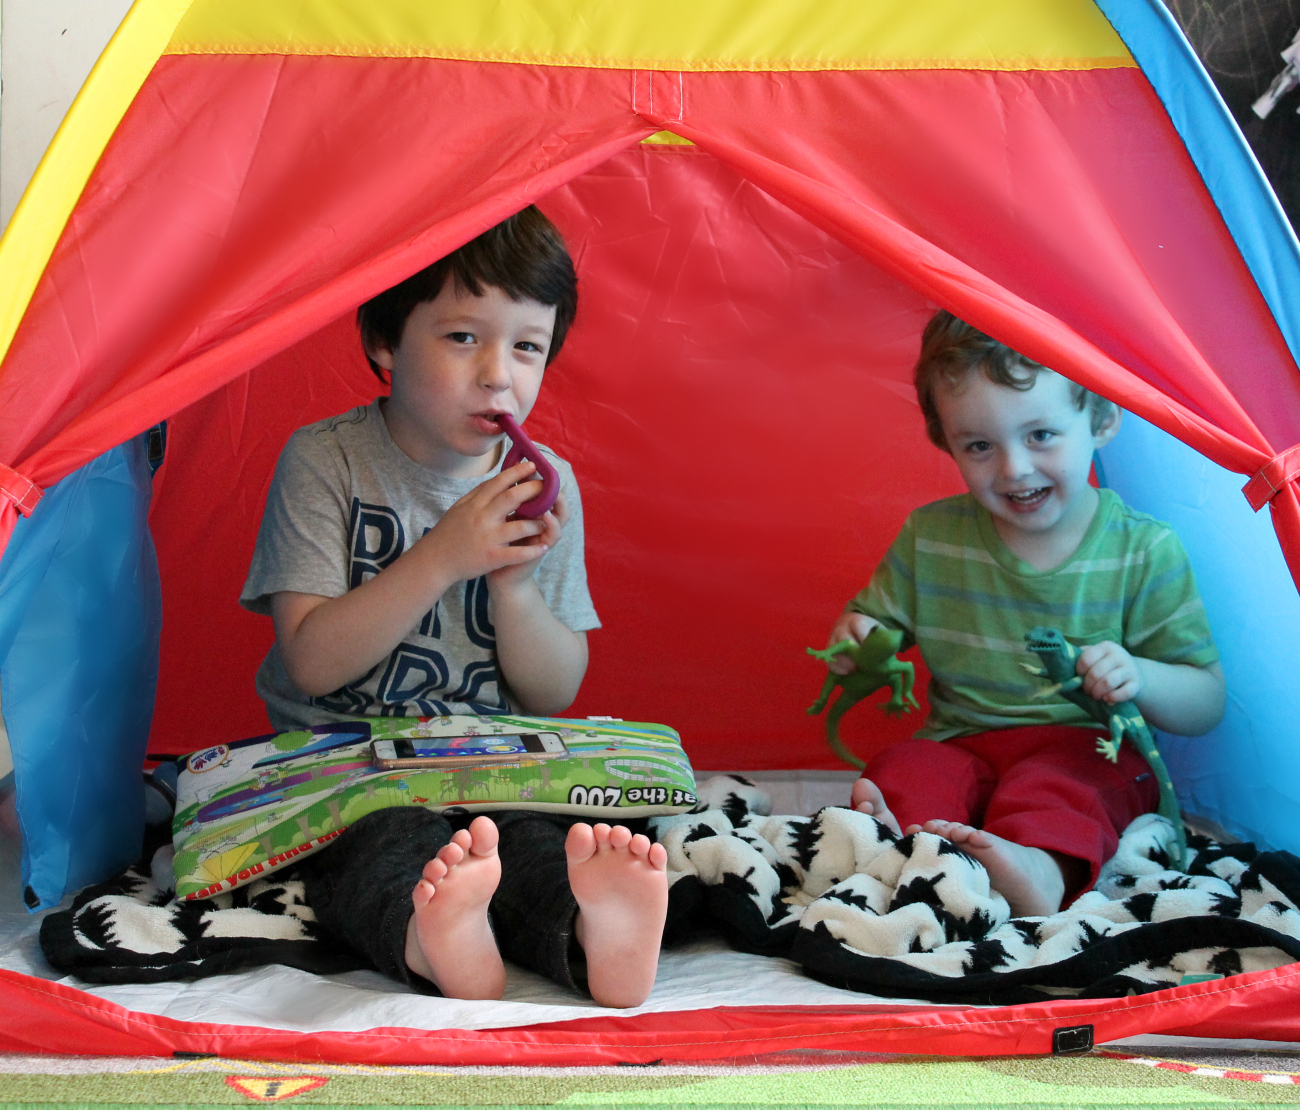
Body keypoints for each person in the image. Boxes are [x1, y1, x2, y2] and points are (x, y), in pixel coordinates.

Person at [240, 207, 668, 1006]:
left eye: (527, 347)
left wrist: (510, 586)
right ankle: (435, 942)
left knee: (538, 845)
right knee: (383, 852)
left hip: (493, 765)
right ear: (385, 343)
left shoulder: (547, 487)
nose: (498, 374)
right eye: (462, 337)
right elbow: (311, 659)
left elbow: (554, 692)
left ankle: (592, 936)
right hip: (347, 769)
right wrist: (442, 557)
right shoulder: (324, 461)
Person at [823, 311, 1225, 917]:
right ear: (946, 441)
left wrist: (1139, 675)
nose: (1013, 469)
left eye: (1041, 435)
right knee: (907, 766)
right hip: (963, 739)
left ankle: (1040, 866)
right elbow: (870, 633)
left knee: (1062, 786)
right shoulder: (930, 536)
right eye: (980, 445)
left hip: (1086, 745)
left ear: (1103, 418)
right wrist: (856, 642)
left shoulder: (1143, 548)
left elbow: (1206, 703)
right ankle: (909, 851)